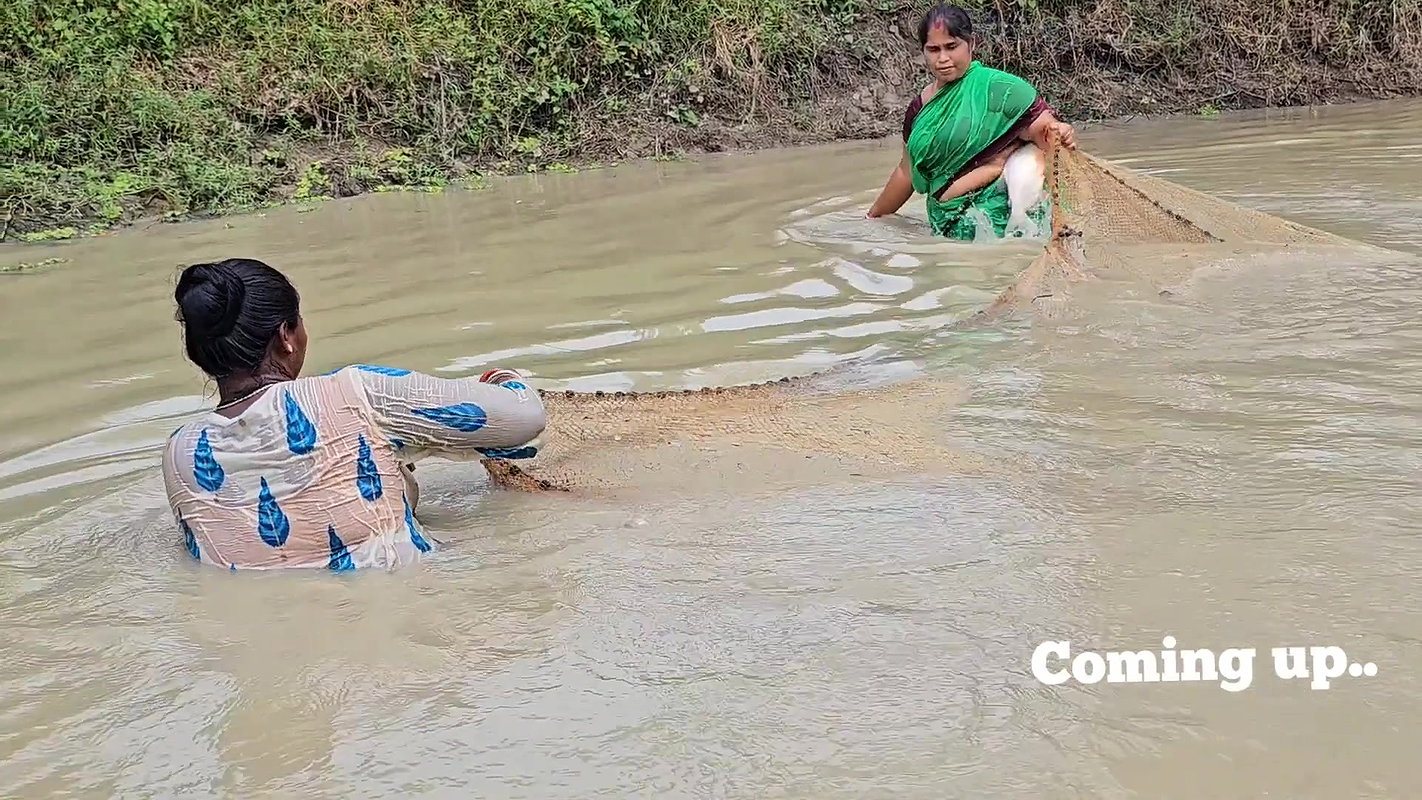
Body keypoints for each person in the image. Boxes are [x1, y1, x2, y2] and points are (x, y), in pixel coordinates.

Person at [161, 258, 547, 572]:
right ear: (285, 336)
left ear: (201, 357)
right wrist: (504, 379)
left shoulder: (179, 452)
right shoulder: (354, 391)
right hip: (409, 611)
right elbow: (526, 419)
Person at [867, 3, 1078, 240]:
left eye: (951, 46)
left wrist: (1059, 131)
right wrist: (872, 218)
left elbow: (1044, 134)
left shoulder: (1002, 90)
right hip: (948, 234)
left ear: (971, 44)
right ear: (923, 51)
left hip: (1006, 229)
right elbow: (906, 172)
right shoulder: (920, 110)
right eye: (933, 49)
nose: (943, 58)